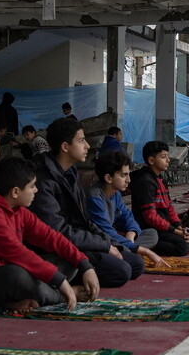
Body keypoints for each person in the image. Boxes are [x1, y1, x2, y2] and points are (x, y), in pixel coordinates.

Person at [0, 157, 99, 313]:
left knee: (68, 260)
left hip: (6, 268)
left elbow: (51, 237)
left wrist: (85, 265)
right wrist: (61, 282)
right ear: (15, 192)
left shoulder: (18, 210)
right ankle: (60, 295)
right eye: (32, 186)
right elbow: (16, 252)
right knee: (16, 276)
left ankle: (18, 299)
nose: (36, 190)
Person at [30, 118, 145, 288]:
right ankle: (67, 277)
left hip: (80, 240)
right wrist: (105, 245)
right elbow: (58, 231)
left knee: (136, 264)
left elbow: (85, 220)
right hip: (58, 247)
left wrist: (108, 243)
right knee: (122, 271)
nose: (87, 146)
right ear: (65, 146)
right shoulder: (43, 180)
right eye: (81, 140)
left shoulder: (70, 173)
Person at [123, 143, 189, 257]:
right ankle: (146, 245)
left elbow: (169, 207)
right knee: (182, 247)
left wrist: (179, 226)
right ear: (151, 160)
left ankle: (176, 239)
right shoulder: (145, 181)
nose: (168, 160)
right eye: (163, 157)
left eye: (167, 156)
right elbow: (151, 217)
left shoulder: (161, 179)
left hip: (165, 226)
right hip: (151, 229)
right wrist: (176, 232)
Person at [86, 150, 165, 264]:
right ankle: (129, 250)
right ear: (108, 178)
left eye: (128, 174)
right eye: (123, 175)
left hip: (117, 239)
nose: (128, 180)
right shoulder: (94, 197)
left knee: (152, 234)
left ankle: (128, 249)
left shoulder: (115, 193)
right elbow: (106, 233)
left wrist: (132, 233)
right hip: (102, 241)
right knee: (134, 260)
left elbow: (127, 217)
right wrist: (146, 251)